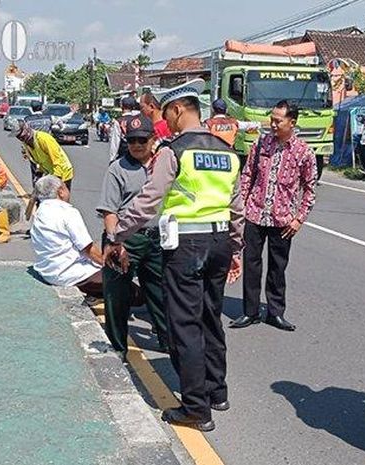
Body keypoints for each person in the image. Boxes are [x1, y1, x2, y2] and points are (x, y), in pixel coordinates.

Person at [105, 78, 244, 432]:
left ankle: (196, 408)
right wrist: (237, 247)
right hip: (220, 242)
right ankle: (217, 392)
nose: (165, 121)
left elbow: (148, 200)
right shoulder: (227, 151)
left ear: (179, 109)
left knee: (185, 324)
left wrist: (118, 232)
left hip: (186, 245)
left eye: (167, 113)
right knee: (212, 317)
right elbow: (237, 207)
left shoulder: (173, 151)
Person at [230, 100, 317, 332]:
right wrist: (241, 206)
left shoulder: (304, 152)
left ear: (292, 122)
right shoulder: (260, 144)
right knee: (251, 264)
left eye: (278, 120)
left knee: (278, 268)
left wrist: (299, 218)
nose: (273, 124)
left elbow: (310, 189)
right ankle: (250, 312)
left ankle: (275, 312)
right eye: (272, 119)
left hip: (284, 220)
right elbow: (247, 175)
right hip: (255, 214)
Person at [96, 115, 168, 356]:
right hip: (125, 239)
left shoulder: (164, 165)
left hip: (158, 237)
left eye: (142, 140)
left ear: (153, 139)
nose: (136, 145)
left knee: (161, 293)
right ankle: (118, 348)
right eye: (131, 140)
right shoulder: (117, 168)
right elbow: (109, 210)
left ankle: (169, 341)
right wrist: (116, 242)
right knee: (116, 297)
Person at [30, 175, 105, 298]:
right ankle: (95, 295)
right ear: (61, 192)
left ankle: (94, 294)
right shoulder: (67, 212)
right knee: (124, 283)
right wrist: (106, 263)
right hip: (70, 273)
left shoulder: (40, 212)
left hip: (48, 272)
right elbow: (87, 249)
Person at [15, 122, 74, 189]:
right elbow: (40, 160)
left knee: (59, 198)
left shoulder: (43, 139)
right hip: (50, 172)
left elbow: (58, 160)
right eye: (18, 136)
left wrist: (55, 180)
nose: (20, 138)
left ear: (27, 130)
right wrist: (39, 173)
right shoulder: (26, 143)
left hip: (62, 173)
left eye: (21, 135)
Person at [109, 96, 139, 162]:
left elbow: (115, 142)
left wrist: (112, 159)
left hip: (124, 155)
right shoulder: (137, 120)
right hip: (137, 154)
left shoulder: (119, 121)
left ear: (122, 107)